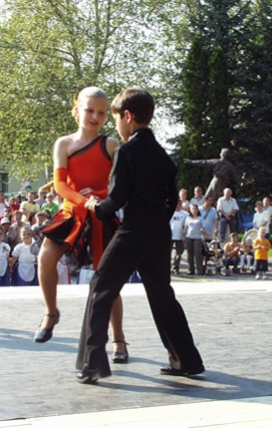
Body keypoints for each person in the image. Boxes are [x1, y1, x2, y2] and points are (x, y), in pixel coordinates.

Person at [76, 88, 204, 384]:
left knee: (100, 289)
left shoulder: (126, 152)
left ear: (128, 116)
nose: (117, 126)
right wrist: (156, 221)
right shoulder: (164, 156)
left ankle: (92, 364)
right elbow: (172, 201)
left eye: (116, 119)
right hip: (159, 234)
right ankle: (186, 360)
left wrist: (95, 206)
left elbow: (115, 200)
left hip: (132, 231)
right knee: (162, 295)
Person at [35, 86, 128, 366]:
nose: (95, 117)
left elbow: (120, 184)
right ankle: (51, 312)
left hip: (100, 214)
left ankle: (118, 337)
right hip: (71, 212)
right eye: (89, 110)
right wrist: (84, 200)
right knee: (45, 257)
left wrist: (97, 197)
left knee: (107, 278)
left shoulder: (110, 145)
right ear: (76, 111)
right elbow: (60, 185)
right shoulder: (63, 144)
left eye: (102, 113)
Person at [184, 204, 205, 276]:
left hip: (197, 238)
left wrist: (203, 236)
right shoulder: (188, 218)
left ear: (197, 210)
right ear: (190, 210)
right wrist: (183, 236)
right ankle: (191, 270)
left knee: (198, 254)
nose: (194, 210)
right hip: (189, 237)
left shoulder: (200, 218)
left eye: (195, 209)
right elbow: (185, 228)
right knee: (189, 255)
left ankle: (200, 270)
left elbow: (203, 228)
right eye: (192, 209)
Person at [170, 200, 188, 275]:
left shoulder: (185, 214)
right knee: (167, 253)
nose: (178, 206)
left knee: (179, 253)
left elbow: (186, 226)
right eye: (177, 204)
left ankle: (175, 267)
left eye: (179, 204)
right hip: (170, 236)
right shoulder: (169, 212)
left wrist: (184, 236)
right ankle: (167, 267)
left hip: (180, 236)